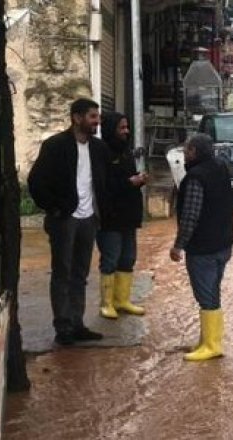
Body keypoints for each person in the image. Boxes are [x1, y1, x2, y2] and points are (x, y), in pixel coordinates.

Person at [27, 98, 109, 346]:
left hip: (88, 218)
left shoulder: (98, 148)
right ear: (77, 118)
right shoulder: (55, 146)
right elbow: (36, 182)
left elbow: (105, 181)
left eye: (98, 117)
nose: (97, 122)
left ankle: (77, 323)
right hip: (65, 218)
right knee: (62, 272)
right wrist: (54, 208)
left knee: (80, 273)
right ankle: (63, 326)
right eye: (93, 117)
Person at [170, 134, 233, 362]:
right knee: (213, 292)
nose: (184, 154)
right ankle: (208, 340)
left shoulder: (195, 178)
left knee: (206, 296)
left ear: (194, 152)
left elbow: (190, 215)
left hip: (204, 248)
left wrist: (178, 246)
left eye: (187, 150)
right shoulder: (220, 168)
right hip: (223, 244)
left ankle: (211, 345)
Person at [97, 112, 148, 320]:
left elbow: (127, 179)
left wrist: (138, 180)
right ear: (111, 129)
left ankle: (122, 300)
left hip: (129, 216)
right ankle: (107, 303)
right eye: (122, 128)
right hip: (110, 217)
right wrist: (130, 183)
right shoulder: (102, 152)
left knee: (128, 258)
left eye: (127, 127)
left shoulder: (126, 152)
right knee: (110, 259)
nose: (126, 131)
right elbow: (103, 186)